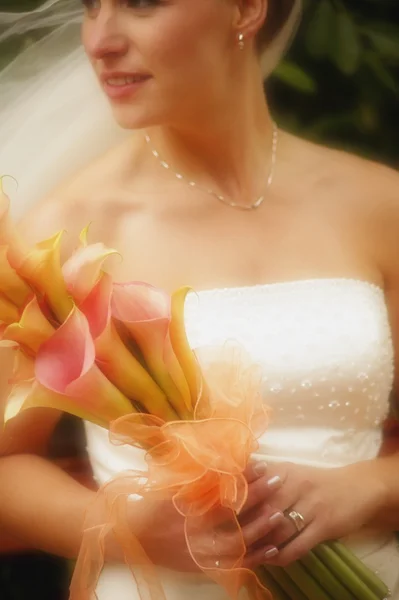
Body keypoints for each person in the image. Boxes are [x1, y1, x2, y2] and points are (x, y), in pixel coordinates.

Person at [1, 0, 399, 598]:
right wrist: (128, 527)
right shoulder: (65, 235)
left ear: (245, 8)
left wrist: (369, 489)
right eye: (90, 8)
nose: (100, 41)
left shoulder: (377, 204)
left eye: (138, 4)